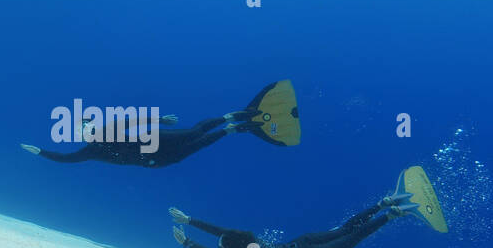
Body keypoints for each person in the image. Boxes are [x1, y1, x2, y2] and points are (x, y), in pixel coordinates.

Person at [170, 165, 446, 248]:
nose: (220, 245)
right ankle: (385, 202)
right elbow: (224, 232)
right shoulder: (248, 240)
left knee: (353, 236)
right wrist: (190, 220)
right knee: (347, 229)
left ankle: (393, 213)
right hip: (302, 243)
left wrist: (188, 243)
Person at [20, 80, 299, 169]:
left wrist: (160, 118)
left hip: (156, 140)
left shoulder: (107, 131)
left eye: (87, 125)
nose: (87, 131)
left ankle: (230, 117)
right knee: (196, 145)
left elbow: (134, 119)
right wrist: (40, 152)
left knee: (193, 132)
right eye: (82, 129)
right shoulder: (89, 151)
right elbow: (65, 159)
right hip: (156, 161)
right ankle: (230, 128)